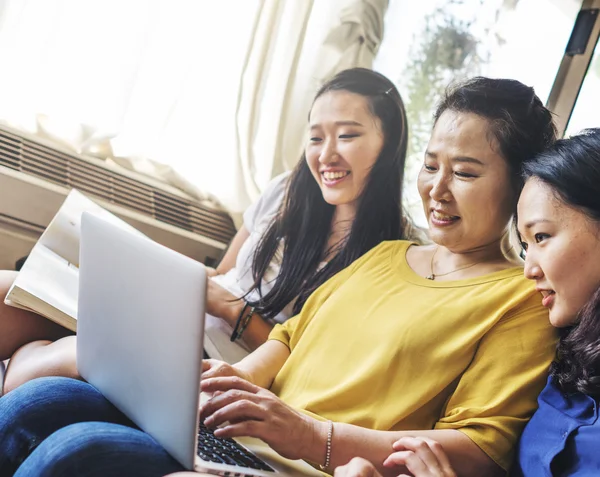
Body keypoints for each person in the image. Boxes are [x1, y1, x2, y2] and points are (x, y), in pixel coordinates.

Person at [0, 76, 559, 477]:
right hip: (231, 434)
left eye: (463, 173)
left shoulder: (520, 299)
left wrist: (307, 433)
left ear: (521, 185)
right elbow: (290, 339)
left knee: (77, 450)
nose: (437, 189)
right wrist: (227, 385)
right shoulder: (388, 256)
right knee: (38, 403)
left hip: (296, 464)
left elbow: (480, 450)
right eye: (431, 165)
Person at [0, 66, 419, 393]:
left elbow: (311, 364)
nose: (326, 155)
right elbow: (221, 274)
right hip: (183, 311)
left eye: (347, 135)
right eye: (315, 137)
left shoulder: (390, 256)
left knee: (34, 371)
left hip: (217, 355)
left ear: (390, 141)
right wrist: (145, 264)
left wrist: (228, 306)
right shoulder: (284, 193)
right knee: (9, 291)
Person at [334, 128, 600, 477]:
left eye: (542, 237)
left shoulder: (522, 315)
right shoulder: (571, 361)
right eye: (525, 246)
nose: (528, 270)